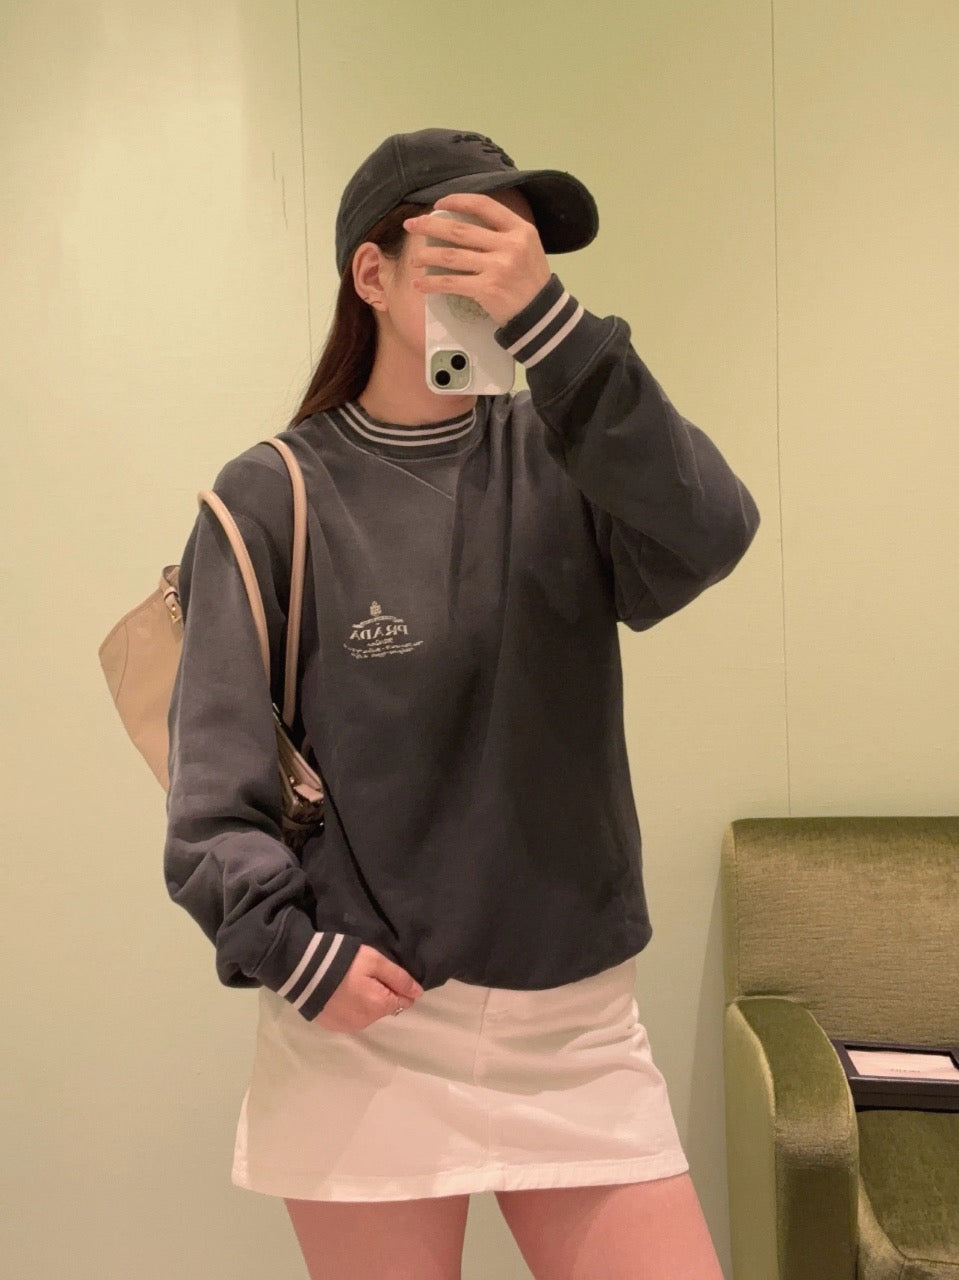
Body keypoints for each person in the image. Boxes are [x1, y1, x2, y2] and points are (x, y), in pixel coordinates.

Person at [164, 127, 758, 1279]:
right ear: (372, 273)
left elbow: (711, 529)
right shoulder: (271, 493)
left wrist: (561, 335)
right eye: (462, 243)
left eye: (517, 246)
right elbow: (210, 789)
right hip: (366, 1030)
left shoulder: (563, 453)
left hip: (573, 1021)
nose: (498, 269)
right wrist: (290, 952)